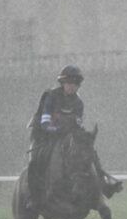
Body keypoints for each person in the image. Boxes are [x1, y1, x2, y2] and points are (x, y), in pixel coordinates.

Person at [26, 65, 119, 209]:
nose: (72, 87)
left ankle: (104, 183)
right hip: (43, 135)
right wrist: (58, 130)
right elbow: (45, 123)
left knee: (89, 150)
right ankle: (33, 197)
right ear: (62, 83)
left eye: (75, 85)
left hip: (65, 135)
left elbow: (77, 124)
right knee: (35, 160)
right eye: (69, 83)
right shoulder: (50, 96)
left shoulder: (78, 102)